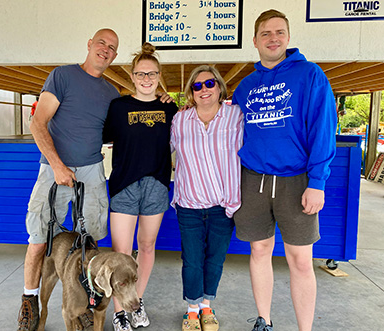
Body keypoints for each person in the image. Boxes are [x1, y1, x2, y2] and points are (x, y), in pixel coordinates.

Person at [232, 10, 337, 331]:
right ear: (255, 40)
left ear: (288, 38)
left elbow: (324, 129)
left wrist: (317, 181)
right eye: (265, 33)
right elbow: (229, 129)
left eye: (279, 32)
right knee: (259, 250)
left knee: (301, 260)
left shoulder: (310, 75)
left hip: (297, 181)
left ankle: (305, 328)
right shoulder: (245, 86)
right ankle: (264, 320)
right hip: (253, 181)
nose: (272, 38)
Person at [17, 28, 120, 331]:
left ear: (114, 56)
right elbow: (38, 123)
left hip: (91, 169)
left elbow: (119, 131)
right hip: (53, 168)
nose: (105, 49)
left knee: (89, 242)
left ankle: (85, 299)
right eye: (101, 42)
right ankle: (29, 301)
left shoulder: (111, 93)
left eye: (112, 47)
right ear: (90, 44)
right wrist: (58, 166)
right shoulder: (62, 76)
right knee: (38, 241)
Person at [103, 42, 178, 331]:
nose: (146, 79)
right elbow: (103, 137)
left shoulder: (168, 109)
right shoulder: (118, 107)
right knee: (122, 253)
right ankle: (120, 311)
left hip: (157, 185)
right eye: (140, 74)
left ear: (159, 76)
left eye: (152, 74)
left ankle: (137, 302)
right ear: (132, 77)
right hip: (124, 186)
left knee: (146, 246)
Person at [170, 65, 244, 331]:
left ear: (220, 87)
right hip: (189, 203)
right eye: (197, 86)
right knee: (191, 259)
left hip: (223, 205)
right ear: (191, 91)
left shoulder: (236, 116)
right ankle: (191, 309)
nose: (204, 89)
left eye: (209, 84)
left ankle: (206, 306)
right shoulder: (180, 120)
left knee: (215, 259)